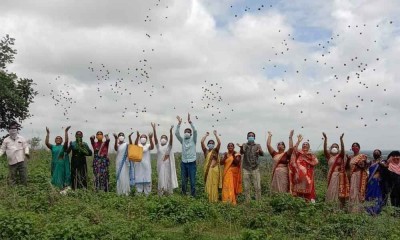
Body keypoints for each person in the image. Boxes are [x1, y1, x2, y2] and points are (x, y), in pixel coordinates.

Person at [289, 135, 318, 203]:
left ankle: (309, 204)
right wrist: (298, 141)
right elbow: (294, 150)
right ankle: (299, 204)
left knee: (309, 190)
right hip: (298, 175)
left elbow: (316, 162)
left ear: (309, 147)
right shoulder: (299, 152)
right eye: (303, 144)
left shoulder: (311, 154)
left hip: (308, 176)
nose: (305, 145)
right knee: (298, 191)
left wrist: (311, 156)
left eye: (306, 144)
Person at [322, 133, 349, 208]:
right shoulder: (329, 156)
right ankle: (330, 206)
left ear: (338, 149)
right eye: (333, 146)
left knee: (337, 191)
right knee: (331, 190)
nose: (334, 148)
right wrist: (325, 139)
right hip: (331, 175)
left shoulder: (340, 156)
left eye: (336, 147)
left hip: (339, 176)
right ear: (331, 148)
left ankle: (338, 207)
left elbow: (343, 149)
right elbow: (324, 149)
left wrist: (341, 140)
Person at [152, 123, 178, 196]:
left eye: (165, 138)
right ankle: (160, 194)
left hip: (167, 166)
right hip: (160, 166)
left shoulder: (168, 147)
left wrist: (170, 132)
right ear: (160, 139)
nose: (163, 139)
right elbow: (156, 140)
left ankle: (169, 194)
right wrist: (154, 129)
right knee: (161, 180)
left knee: (167, 179)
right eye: (162, 138)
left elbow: (171, 141)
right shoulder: (158, 147)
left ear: (166, 140)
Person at [237, 131, 264, 202]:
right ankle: (247, 202)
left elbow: (262, 154)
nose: (251, 137)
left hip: (255, 168)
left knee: (257, 186)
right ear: (247, 137)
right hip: (246, 168)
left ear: (254, 137)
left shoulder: (258, 145)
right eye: (249, 136)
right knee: (246, 187)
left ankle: (258, 201)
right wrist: (241, 147)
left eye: (252, 136)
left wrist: (259, 152)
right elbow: (242, 152)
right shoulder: (245, 145)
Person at [0, 121, 29, 186]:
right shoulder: (6, 140)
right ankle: (12, 189)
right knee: (12, 175)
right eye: (11, 129)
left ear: (17, 130)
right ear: (9, 130)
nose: (13, 130)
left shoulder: (21, 138)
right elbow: (2, 150)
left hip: (21, 159)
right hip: (12, 161)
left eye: (14, 129)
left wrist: (27, 153)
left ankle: (24, 187)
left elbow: (26, 146)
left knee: (23, 174)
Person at [175, 113, 197, 197]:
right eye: (185, 132)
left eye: (188, 132)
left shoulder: (193, 140)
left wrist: (190, 122)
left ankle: (193, 195)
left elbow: (195, 131)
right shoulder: (182, 140)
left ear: (191, 134)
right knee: (183, 180)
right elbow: (176, 134)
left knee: (192, 180)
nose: (187, 132)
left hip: (192, 163)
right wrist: (179, 123)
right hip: (184, 163)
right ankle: (183, 194)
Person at [45, 126, 71, 190]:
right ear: (55, 140)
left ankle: (62, 187)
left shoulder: (63, 147)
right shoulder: (53, 147)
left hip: (61, 164)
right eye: (57, 138)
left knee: (61, 176)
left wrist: (66, 132)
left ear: (62, 140)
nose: (58, 139)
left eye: (60, 138)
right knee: (54, 176)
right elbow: (46, 143)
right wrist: (48, 133)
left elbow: (66, 142)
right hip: (54, 163)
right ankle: (55, 189)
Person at [130, 129, 154, 196]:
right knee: (139, 180)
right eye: (142, 137)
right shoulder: (138, 145)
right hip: (138, 166)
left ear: (146, 139)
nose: (143, 138)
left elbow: (152, 147)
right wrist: (137, 136)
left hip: (146, 166)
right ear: (140, 139)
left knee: (147, 181)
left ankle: (147, 195)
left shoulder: (148, 145)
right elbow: (134, 145)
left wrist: (150, 138)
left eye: (144, 137)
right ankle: (138, 196)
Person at [201, 130, 222, 202]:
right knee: (208, 184)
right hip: (207, 170)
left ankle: (215, 199)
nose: (211, 144)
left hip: (215, 170)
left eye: (212, 143)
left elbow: (219, 143)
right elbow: (201, 142)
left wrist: (216, 135)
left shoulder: (216, 151)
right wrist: (206, 135)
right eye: (209, 143)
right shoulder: (205, 151)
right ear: (207, 144)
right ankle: (208, 199)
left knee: (214, 184)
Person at [347, 142, 368, 213]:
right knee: (352, 191)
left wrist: (362, 162)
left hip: (359, 175)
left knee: (358, 190)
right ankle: (352, 209)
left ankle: (359, 210)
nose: (354, 148)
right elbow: (348, 168)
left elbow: (364, 165)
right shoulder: (350, 157)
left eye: (356, 146)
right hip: (352, 175)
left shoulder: (362, 156)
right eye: (353, 146)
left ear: (359, 148)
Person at [365, 149, 384, 215]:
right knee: (369, 194)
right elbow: (365, 166)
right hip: (370, 181)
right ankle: (369, 210)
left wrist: (380, 163)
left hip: (377, 181)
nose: (376, 153)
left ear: (380, 154)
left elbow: (385, 167)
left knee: (376, 194)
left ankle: (376, 210)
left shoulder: (382, 162)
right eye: (374, 152)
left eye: (377, 152)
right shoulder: (371, 162)